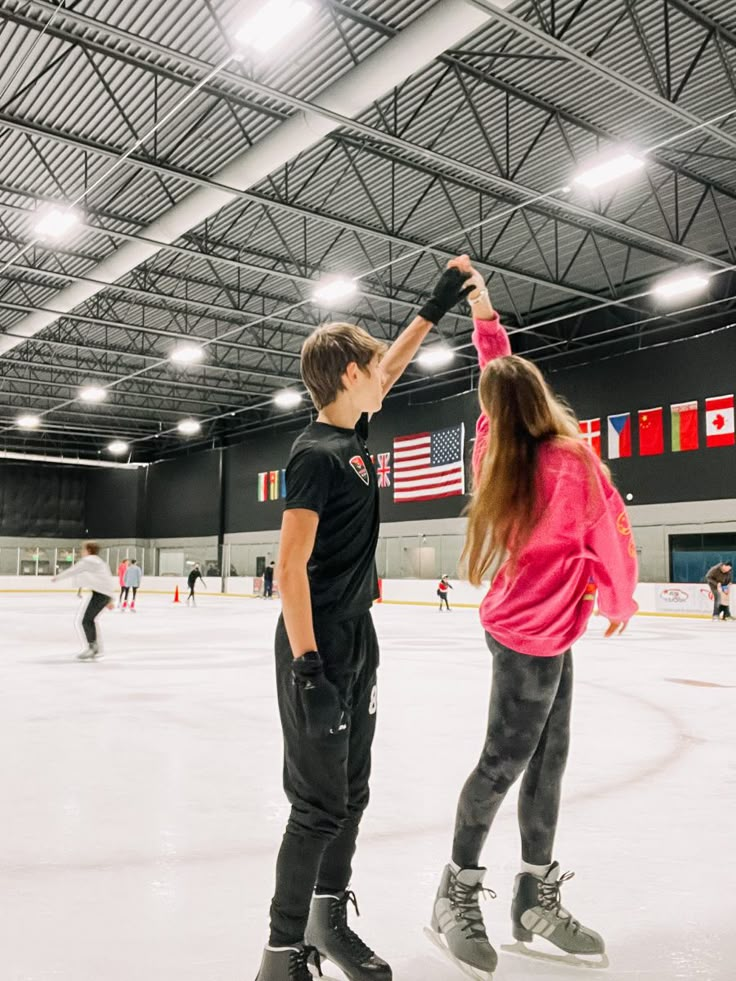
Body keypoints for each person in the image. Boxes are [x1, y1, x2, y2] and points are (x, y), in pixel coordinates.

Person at [255, 266, 473, 981]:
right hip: (315, 647)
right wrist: (308, 667)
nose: (388, 374)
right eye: (374, 366)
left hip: (358, 639)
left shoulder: (354, 433)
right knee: (317, 805)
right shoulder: (315, 455)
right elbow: (290, 568)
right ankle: (280, 956)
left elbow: (398, 358)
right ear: (351, 374)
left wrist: (438, 304)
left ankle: (327, 919)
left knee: (352, 793)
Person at [428, 257, 638, 976]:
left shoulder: (494, 451)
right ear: (541, 397)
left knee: (545, 758)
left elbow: (498, 368)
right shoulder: (570, 459)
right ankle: (453, 891)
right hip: (535, 635)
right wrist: (618, 596)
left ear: (494, 412)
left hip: (527, 625)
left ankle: (531, 894)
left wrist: (483, 312)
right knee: (505, 763)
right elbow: (610, 532)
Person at [52, 541, 116, 660]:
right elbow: (106, 579)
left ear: (88, 550)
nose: (82, 552)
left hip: (100, 595)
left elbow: (74, 570)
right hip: (102, 594)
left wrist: (58, 577)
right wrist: (110, 598)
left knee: (86, 620)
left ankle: (93, 648)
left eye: (83, 549)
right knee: (89, 620)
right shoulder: (99, 562)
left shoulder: (89, 560)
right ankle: (94, 647)